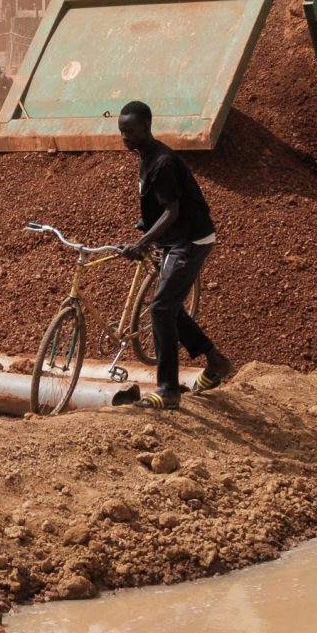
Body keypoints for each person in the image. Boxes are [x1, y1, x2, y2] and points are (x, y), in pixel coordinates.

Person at [120, 99, 234, 405]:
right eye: (121, 131)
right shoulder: (145, 157)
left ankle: (168, 389)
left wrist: (142, 244)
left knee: (160, 309)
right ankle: (216, 361)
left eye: (130, 130)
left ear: (147, 126)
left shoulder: (163, 162)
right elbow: (157, 208)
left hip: (192, 239)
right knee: (169, 307)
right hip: (174, 239)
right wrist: (147, 236)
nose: (124, 137)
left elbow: (172, 211)